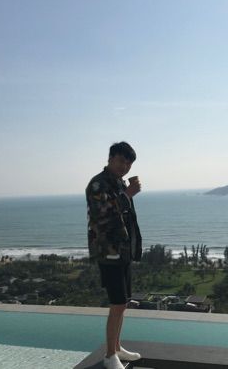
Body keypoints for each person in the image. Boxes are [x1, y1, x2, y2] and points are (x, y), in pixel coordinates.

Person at [86, 141, 143, 369]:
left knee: (123, 303)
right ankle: (110, 356)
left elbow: (123, 215)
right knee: (117, 303)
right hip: (108, 252)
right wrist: (127, 195)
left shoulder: (118, 183)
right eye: (121, 161)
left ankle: (117, 348)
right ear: (110, 159)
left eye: (128, 163)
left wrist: (126, 193)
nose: (124, 166)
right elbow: (102, 216)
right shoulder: (98, 184)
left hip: (122, 251)